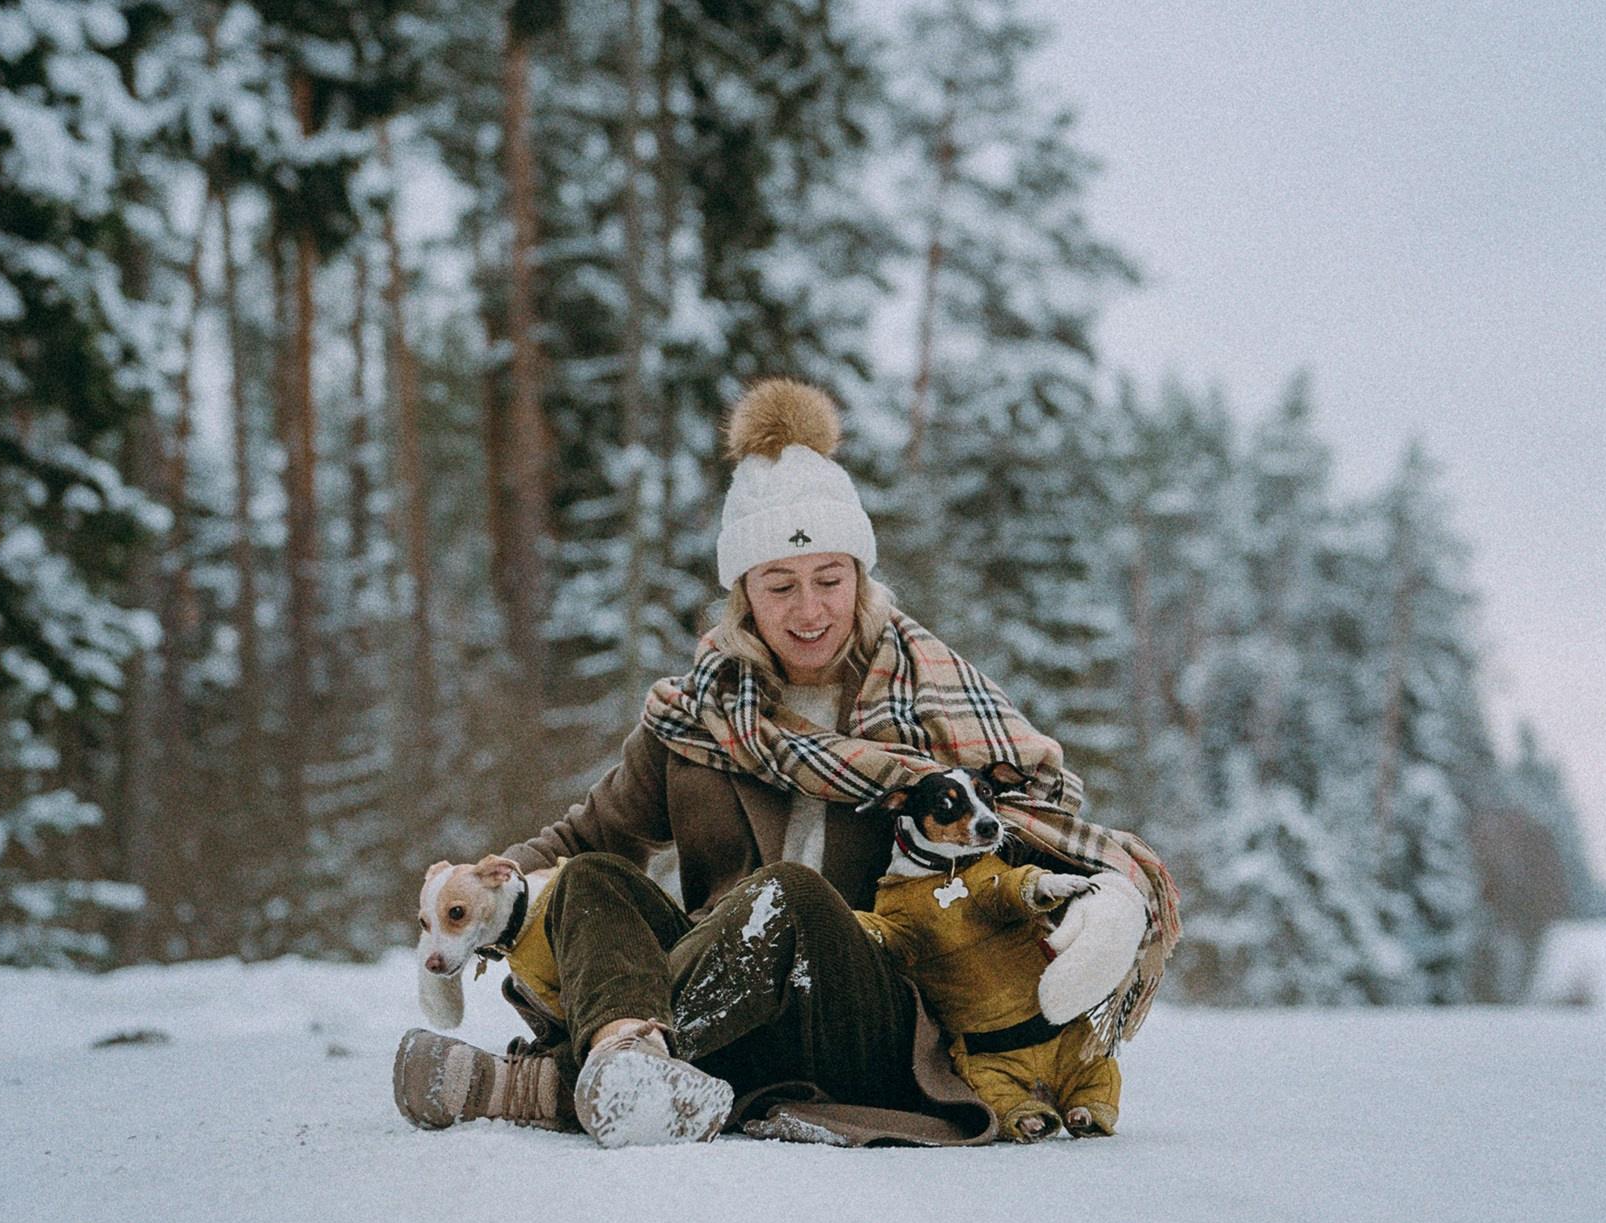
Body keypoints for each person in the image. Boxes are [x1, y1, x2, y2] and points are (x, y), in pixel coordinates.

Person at [393, 378, 1178, 1148]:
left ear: (860, 579)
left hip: (873, 1003)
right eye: (781, 586)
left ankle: (541, 1085)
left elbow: (1036, 825)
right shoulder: (695, 714)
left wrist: (1108, 898)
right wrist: (468, 899)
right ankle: (628, 1060)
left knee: (792, 898)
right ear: (744, 597)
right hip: (724, 991)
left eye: (829, 580)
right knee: (595, 880)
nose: (809, 611)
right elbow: (585, 838)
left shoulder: (933, 697)